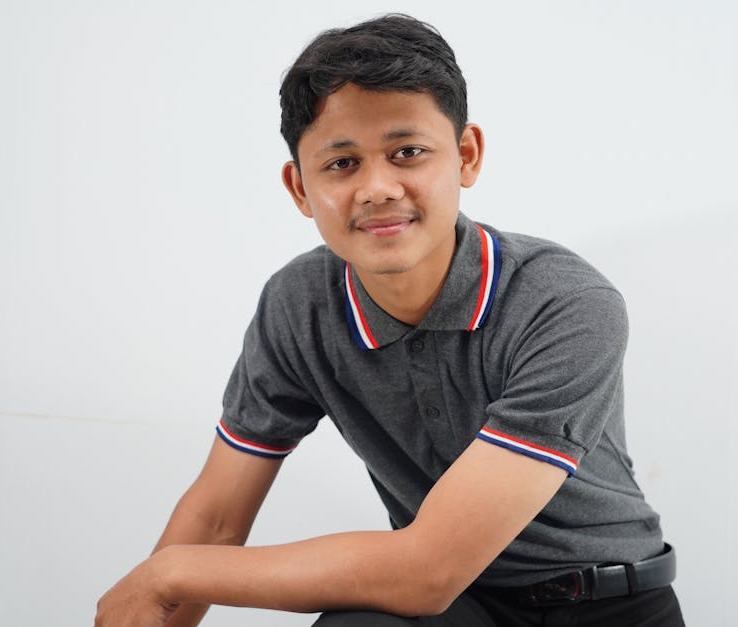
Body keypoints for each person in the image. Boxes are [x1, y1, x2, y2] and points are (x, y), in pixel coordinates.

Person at [95, 14, 685, 627]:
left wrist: (169, 572)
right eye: (342, 164)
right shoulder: (299, 306)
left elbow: (427, 570)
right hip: (456, 611)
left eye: (407, 152)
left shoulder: (562, 302)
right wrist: (161, 591)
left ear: (465, 156)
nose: (378, 187)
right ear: (299, 188)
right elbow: (216, 521)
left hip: (608, 604)